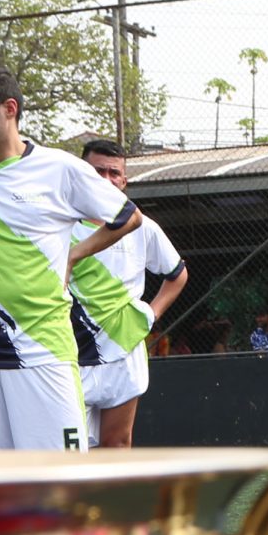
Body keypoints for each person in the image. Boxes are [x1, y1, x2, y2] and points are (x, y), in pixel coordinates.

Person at [0, 64, 140, 452]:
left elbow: (128, 218)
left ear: (9, 108)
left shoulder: (59, 168)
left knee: (60, 480)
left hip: (44, 349)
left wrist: (74, 255)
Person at [70, 139, 187, 449]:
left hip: (123, 350)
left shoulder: (143, 227)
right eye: (98, 171)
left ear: (124, 180)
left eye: (114, 173)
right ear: (82, 173)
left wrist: (151, 314)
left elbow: (177, 275)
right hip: (66, 353)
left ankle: (113, 501)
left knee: (117, 447)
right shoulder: (57, 223)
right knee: (66, 453)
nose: (107, 179)